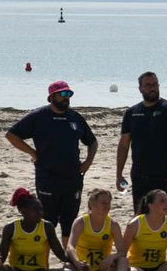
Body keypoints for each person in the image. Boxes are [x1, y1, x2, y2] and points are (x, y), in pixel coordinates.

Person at [6, 80, 98, 245]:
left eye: (68, 94)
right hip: (47, 177)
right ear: (51, 97)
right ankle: (44, 262)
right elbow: (12, 135)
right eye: (62, 94)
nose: (66, 98)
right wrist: (32, 152)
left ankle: (68, 262)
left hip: (73, 178)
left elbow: (92, 142)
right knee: (47, 221)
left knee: (69, 222)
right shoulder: (39, 116)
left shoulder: (75, 117)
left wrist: (87, 163)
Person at [116, 71, 167, 215]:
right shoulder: (131, 113)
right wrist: (119, 174)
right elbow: (124, 145)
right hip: (140, 175)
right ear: (140, 89)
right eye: (147, 85)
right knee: (141, 218)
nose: (152, 88)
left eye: (154, 84)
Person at [0, 187, 73, 271]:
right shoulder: (10, 228)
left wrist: (76, 262)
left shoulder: (47, 227)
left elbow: (60, 254)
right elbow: (2, 257)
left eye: (41, 209)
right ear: (22, 210)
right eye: (36, 210)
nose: (40, 213)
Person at [67, 189, 125, 271]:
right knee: (68, 266)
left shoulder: (113, 224)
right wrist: (77, 262)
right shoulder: (81, 222)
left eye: (108, 203)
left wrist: (111, 257)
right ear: (92, 204)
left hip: (104, 270)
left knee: (123, 261)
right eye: (103, 203)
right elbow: (70, 246)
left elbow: (122, 251)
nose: (107, 206)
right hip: (85, 269)